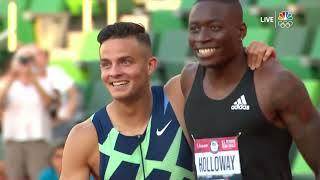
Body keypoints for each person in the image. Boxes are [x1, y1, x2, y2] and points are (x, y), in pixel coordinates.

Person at [60, 22, 275, 179]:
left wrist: (252, 53)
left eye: (125, 62)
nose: (114, 72)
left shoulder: (177, 95)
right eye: (106, 64)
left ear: (150, 65)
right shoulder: (86, 136)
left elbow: (227, 69)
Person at [169, 0, 320, 179]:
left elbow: (287, 18)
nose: (202, 37)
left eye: (215, 28)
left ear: (241, 31)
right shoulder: (188, 78)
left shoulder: (277, 84)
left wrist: (284, 17)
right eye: (194, 29)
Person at [0, 46, 53, 180]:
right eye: (22, 60)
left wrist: (34, 80)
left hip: (38, 138)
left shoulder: (45, 81)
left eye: (29, 60)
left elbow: (48, 103)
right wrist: (12, 77)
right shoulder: (6, 83)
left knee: (39, 176)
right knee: (14, 176)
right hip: (13, 138)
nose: (25, 64)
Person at [33, 48, 79, 138]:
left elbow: (73, 93)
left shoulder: (56, 72)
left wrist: (68, 113)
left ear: (46, 58)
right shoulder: (27, 77)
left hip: (59, 122)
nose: (37, 59)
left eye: (40, 55)